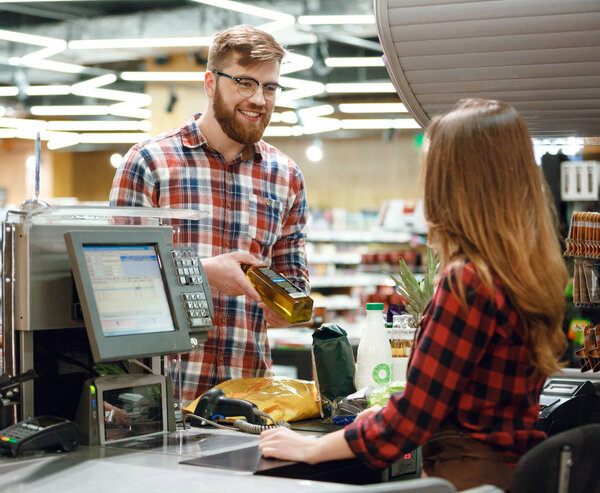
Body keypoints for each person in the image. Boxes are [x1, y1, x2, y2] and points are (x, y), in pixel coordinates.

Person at [259, 98, 568, 491]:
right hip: (511, 474)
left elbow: (410, 418)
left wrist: (310, 448)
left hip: (468, 478)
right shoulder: (529, 273)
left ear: (453, 184)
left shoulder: (468, 283)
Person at [109, 25, 309, 405]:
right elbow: (115, 283)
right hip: (160, 402)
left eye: (270, 87)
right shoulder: (149, 163)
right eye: (245, 83)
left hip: (248, 404)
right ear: (210, 82)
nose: (259, 99)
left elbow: (294, 282)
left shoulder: (286, 177)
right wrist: (203, 272)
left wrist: (289, 309)